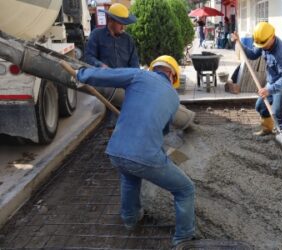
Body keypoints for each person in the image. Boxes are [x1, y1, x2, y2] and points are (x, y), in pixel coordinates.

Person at [75, 56, 196, 247]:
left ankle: (130, 219)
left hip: (116, 151)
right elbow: (164, 131)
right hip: (144, 155)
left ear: (153, 68)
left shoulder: (138, 75)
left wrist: (80, 74)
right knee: (185, 189)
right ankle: (183, 238)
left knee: (130, 177)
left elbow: (107, 75)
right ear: (172, 74)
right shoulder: (173, 98)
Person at [231, 22, 282, 136]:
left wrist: (269, 90)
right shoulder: (263, 42)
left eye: (264, 45)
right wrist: (239, 43)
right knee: (261, 106)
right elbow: (252, 54)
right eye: (260, 45)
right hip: (273, 82)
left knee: (277, 112)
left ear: (272, 37)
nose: (262, 47)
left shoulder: (281, 53)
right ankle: (267, 129)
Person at [85, 3, 139, 68]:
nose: (123, 27)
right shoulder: (96, 35)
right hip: (103, 77)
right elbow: (89, 57)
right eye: (120, 23)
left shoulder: (128, 40)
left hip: (125, 77)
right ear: (110, 20)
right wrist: (100, 65)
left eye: (125, 24)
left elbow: (135, 63)